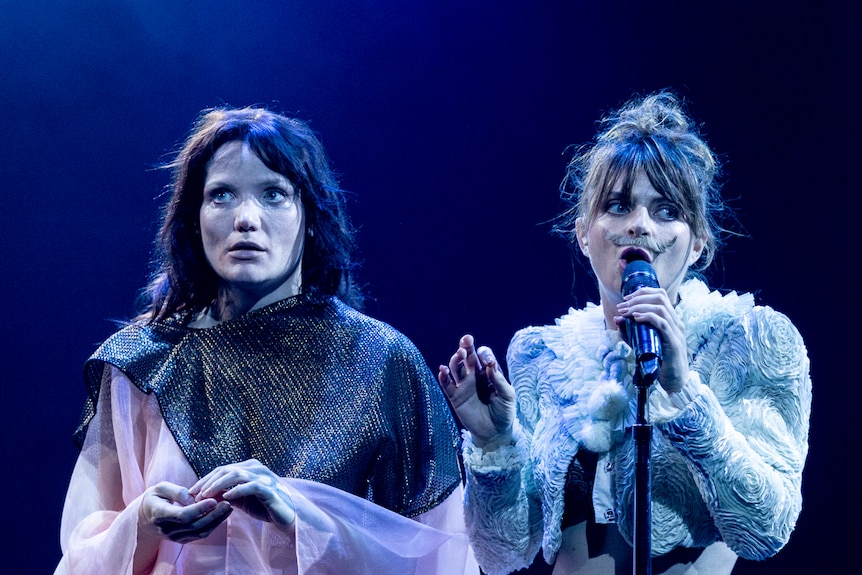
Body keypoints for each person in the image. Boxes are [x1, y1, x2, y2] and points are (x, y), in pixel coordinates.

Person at [54, 106, 478, 575]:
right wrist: (143, 524)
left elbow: (442, 555)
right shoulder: (141, 362)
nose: (246, 218)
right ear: (194, 218)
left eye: (273, 194)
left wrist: (300, 519)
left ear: (311, 216)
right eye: (221, 196)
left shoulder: (379, 361)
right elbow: (78, 556)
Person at [438, 92, 811, 575]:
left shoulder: (749, 340)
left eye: (666, 211)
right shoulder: (541, 356)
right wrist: (494, 444)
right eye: (617, 206)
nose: (639, 224)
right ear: (583, 232)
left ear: (697, 243)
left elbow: (766, 529)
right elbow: (500, 555)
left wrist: (684, 393)